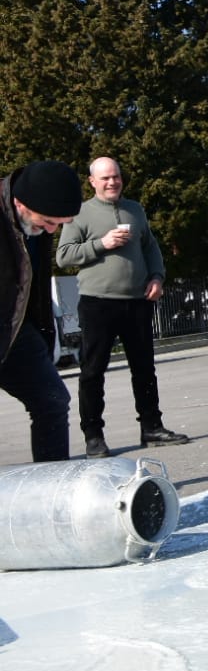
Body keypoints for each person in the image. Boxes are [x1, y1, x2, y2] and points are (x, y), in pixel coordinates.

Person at [55, 157, 188, 457]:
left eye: (116, 176)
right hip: (98, 304)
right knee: (93, 373)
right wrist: (102, 243)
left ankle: (152, 427)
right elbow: (64, 256)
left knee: (144, 369)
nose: (112, 182)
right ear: (92, 181)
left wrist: (157, 276)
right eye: (105, 178)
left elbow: (150, 247)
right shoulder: (80, 213)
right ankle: (93, 436)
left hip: (137, 302)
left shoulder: (135, 209)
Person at [2, 160, 79, 462]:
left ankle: (51, 491)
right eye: (47, 221)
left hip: (15, 328)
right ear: (19, 203)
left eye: (60, 223)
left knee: (52, 400)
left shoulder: (38, 217)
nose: (52, 230)